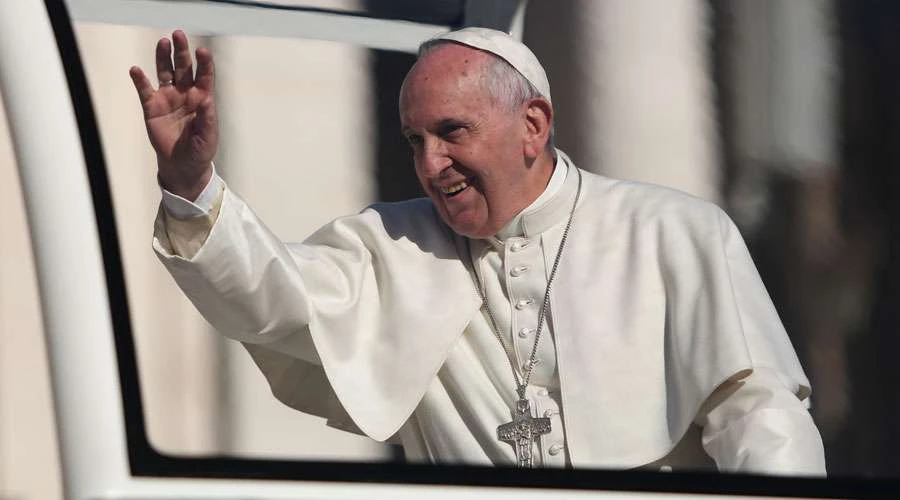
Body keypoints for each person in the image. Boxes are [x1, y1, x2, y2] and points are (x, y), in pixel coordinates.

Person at [130, 27, 826, 473]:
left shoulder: (675, 233)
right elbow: (267, 295)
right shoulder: (389, 247)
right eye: (414, 141)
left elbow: (759, 415)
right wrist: (191, 184)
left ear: (532, 125)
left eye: (451, 132)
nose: (431, 165)